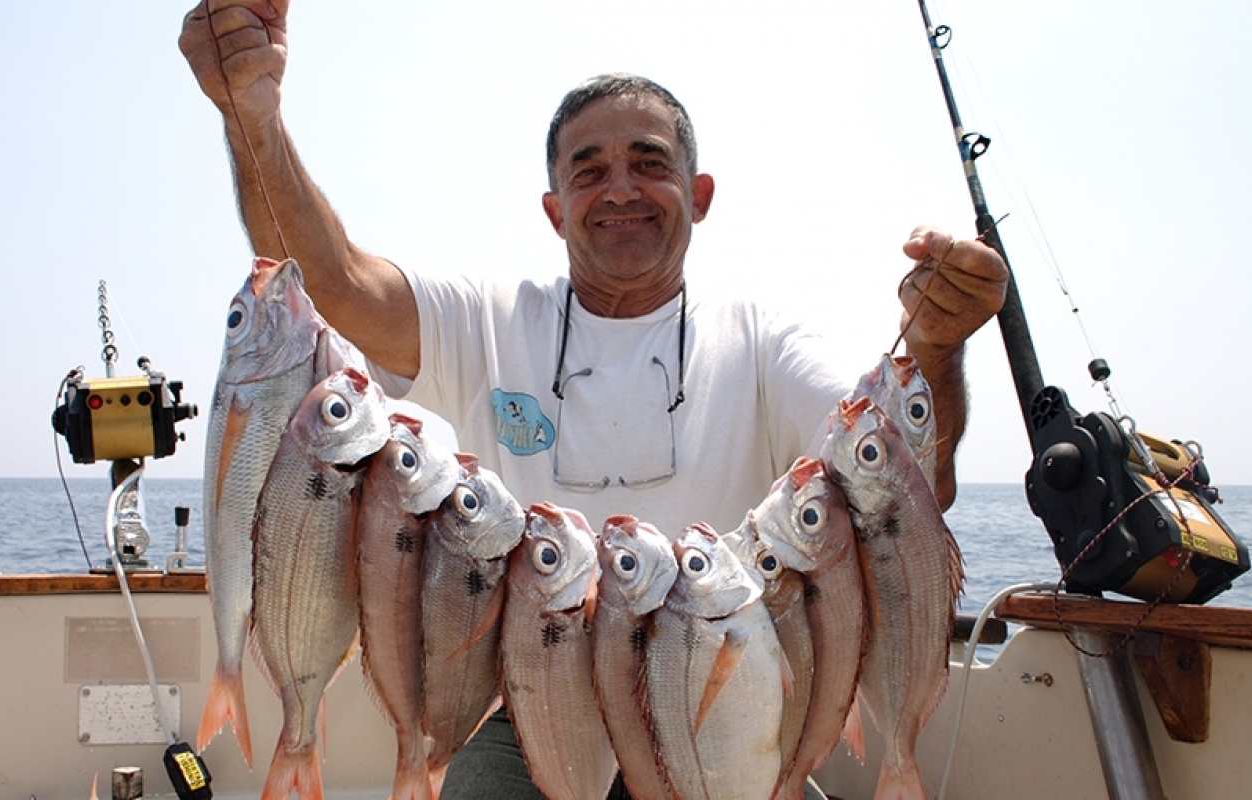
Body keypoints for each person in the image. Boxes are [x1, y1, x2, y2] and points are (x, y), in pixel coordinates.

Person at [180, 2, 1009, 798]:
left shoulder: (766, 340)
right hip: (533, 698)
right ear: (554, 209)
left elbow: (905, 480)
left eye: (650, 164)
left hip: (720, 688)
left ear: (701, 194)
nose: (620, 189)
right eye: (589, 171)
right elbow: (329, 283)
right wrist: (252, 116)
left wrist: (936, 347)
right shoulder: (484, 319)